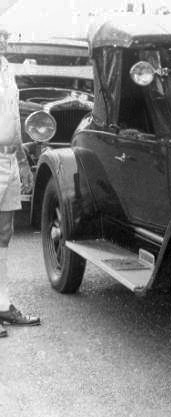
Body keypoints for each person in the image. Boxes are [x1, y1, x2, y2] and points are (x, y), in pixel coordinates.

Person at [0, 27, 40, 338]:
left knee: (4, 233)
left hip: (9, 159)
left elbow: (13, 119)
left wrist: (23, 162)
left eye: (4, 37)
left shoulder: (7, 71)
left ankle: (2, 306)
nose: (3, 42)